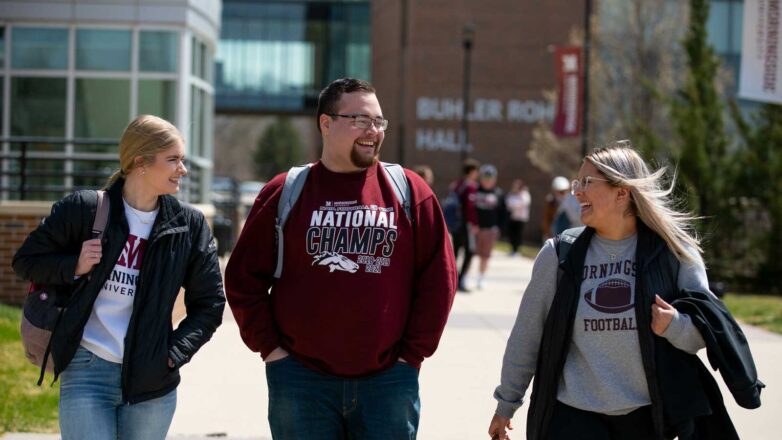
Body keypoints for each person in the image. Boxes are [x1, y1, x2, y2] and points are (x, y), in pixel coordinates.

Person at [225, 78, 457, 439]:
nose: (373, 131)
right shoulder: (285, 192)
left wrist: (411, 355)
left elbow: (439, 279)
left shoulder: (410, 191)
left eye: (379, 121)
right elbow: (243, 279)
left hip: (389, 383)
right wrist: (271, 350)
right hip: (301, 382)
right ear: (326, 123)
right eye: (360, 120)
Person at [488, 142, 763, 440]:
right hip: (573, 413)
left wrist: (674, 326)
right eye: (576, 183)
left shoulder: (673, 251)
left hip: (648, 415)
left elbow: (704, 331)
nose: (577, 192)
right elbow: (527, 335)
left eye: (588, 183)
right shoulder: (559, 255)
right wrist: (507, 402)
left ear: (622, 192)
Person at [13, 115, 226, 440]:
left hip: (153, 381)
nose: (182, 169)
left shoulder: (189, 226)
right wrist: (74, 265)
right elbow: (26, 261)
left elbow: (210, 303)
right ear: (140, 161)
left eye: (182, 159)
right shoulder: (85, 209)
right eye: (173, 160)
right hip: (86, 371)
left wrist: (173, 354)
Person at [449, 158, 480, 292]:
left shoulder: (457, 184)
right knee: (470, 252)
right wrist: (473, 224)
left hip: (455, 223)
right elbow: (469, 207)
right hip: (465, 224)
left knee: (455, 252)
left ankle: (451, 280)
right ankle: (460, 280)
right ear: (472, 171)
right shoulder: (470, 186)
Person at [474, 164, 506, 290]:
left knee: (485, 256)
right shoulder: (475, 191)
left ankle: (481, 277)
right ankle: (463, 276)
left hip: (490, 229)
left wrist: (499, 228)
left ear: (494, 179)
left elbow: (504, 212)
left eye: (490, 178)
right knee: (470, 253)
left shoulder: (498, 193)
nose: (487, 181)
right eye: (485, 178)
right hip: (475, 229)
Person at [505, 179, 531, 256]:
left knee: (518, 234)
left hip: (521, 218)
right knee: (511, 234)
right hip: (512, 217)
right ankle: (512, 249)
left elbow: (523, 203)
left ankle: (516, 250)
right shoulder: (511, 193)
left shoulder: (524, 194)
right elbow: (508, 202)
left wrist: (514, 205)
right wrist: (514, 204)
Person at [541, 176, 569, 240]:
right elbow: (546, 218)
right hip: (553, 231)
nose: (562, 194)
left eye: (563, 192)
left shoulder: (570, 201)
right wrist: (547, 232)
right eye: (560, 192)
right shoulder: (550, 201)